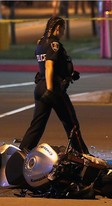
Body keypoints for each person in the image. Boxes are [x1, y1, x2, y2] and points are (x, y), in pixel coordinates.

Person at [19, 16, 89, 154]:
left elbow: (48, 65)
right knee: (71, 123)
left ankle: (21, 153)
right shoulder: (54, 44)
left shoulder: (41, 43)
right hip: (53, 89)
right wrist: (51, 90)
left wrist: (70, 74)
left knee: (37, 125)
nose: (63, 32)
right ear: (57, 28)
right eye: (63, 29)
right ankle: (83, 154)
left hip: (40, 87)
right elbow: (49, 65)